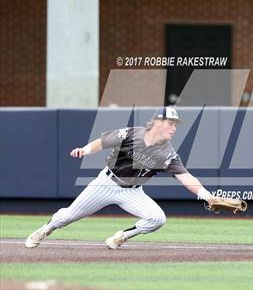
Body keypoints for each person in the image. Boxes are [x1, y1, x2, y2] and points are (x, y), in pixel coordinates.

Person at [25, 107, 216, 250]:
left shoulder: (168, 153)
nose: (174, 128)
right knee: (67, 217)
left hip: (132, 192)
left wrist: (206, 195)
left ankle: (121, 237)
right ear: (158, 122)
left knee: (157, 219)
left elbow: (185, 177)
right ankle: (46, 229)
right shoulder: (132, 133)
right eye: (170, 123)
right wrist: (85, 150)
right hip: (106, 183)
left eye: (175, 125)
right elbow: (103, 142)